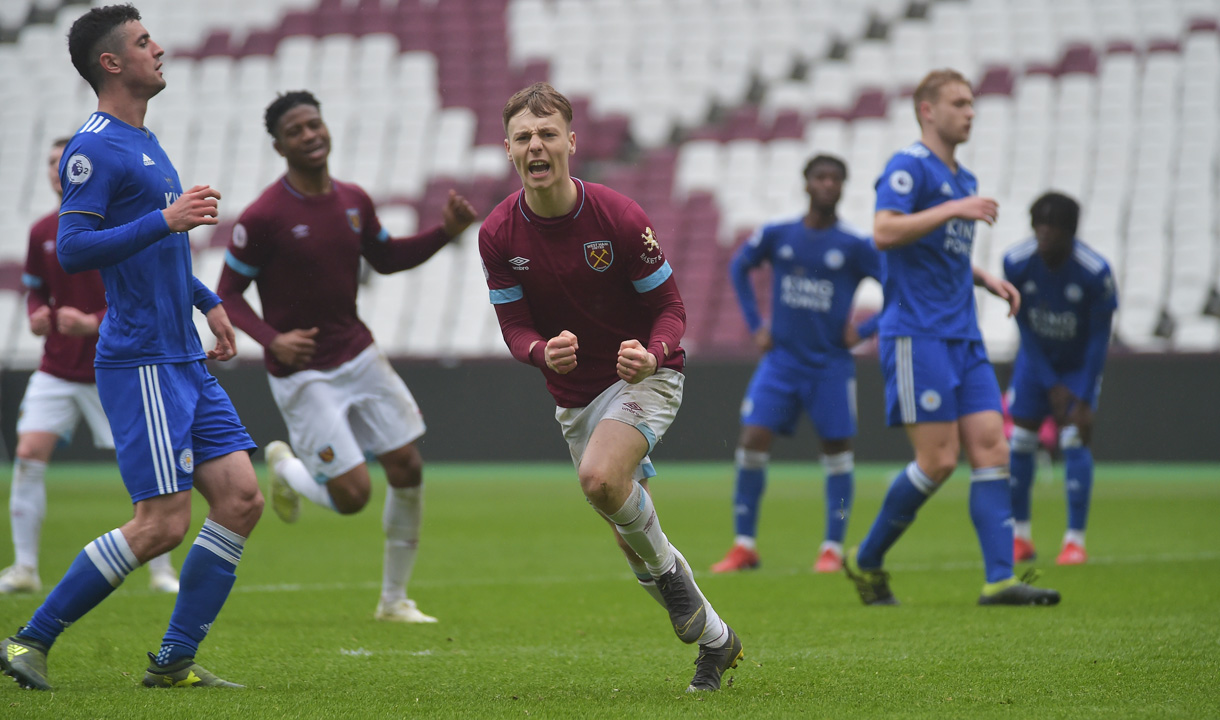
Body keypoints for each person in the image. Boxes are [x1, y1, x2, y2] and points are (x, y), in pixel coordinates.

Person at [0, 4, 263, 691]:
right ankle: (28, 640)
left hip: (182, 352)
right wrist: (165, 217)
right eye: (145, 41)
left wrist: (211, 305)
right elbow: (77, 246)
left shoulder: (143, 139)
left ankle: (173, 661)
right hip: (143, 357)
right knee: (161, 524)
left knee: (240, 499)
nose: (160, 48)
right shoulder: (94, 147)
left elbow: (163, 247)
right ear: (111, 63)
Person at [478, 82, 743, 692]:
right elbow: (514, 327)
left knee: (599, 479)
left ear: (571, 142)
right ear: (509, 150)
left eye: (547, 133)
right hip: (576, 398)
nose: (536, 145)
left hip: (646, 376)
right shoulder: (498, 234)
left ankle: (679, 590)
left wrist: (652, 354)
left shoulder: (619, 217)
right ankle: (716, 639)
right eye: (523, 137)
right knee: (630, 535)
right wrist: (543, 351)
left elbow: (672, 309)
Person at [216, 90, 476, 624]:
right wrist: (273, 340)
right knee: (354, 495)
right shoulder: (265, 215)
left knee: (407, 466)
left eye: (315, 124)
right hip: (303, 372)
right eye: (297, 131)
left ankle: (393, 601)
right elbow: (227, 294)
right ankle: (288, 471)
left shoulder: (354, 200)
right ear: (278, 145)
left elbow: (385, 258)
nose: (310, 135)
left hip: (358, 352)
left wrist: (443, 233)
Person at [842, 68, 1060, 607]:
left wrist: (985, 278)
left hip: (962, 335)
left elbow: (943, 254)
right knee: (939, 461)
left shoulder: (962, 178)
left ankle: (999, 579)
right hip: (917, 335)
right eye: (959, 103)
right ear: (928, 110)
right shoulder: (908, 168)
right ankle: (866, 557)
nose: (970, 112)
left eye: (972, 104)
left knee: (993, 448)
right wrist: (953, 210)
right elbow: (885, 231)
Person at [2, 137, 180, 597]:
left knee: (144, 469)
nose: (55, 169)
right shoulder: (43, 229)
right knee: (27, 456)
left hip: (114, 367)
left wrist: (92, 323)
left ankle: (162, 570)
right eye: (49, 163)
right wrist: (36, 314)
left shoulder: (117, 229)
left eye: (62, 162)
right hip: (57, 368)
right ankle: (24, 567)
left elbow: (142, 290)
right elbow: (37, 288)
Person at [711, 154, 883, 575]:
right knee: (752, 439)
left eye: (835, 179)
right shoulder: (779, 234)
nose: (827, 185)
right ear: (806, 184)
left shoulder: (855, 246)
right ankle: (744, 545)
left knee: (837, 452)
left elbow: (898, 292)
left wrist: (863, 331)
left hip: (830, 366)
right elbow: (739, 267)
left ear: (843, 188)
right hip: (782, 361)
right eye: (820, 177)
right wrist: (755, 324)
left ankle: (831, 547)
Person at [1003, 192, 1116, 566]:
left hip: (1078, 365)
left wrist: (1082, 395)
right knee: (1020, 441)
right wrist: (1051, 382)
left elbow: (1100, 338)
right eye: (1039, 223)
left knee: (1074, 439)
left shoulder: (1095, 272)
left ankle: (1074, 542)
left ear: (1070, 231)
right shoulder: (1016, 263)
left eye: (1054, 225)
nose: (1045, 232)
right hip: (1036, 364)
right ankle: (1020, 537)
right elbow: (1025, 328)